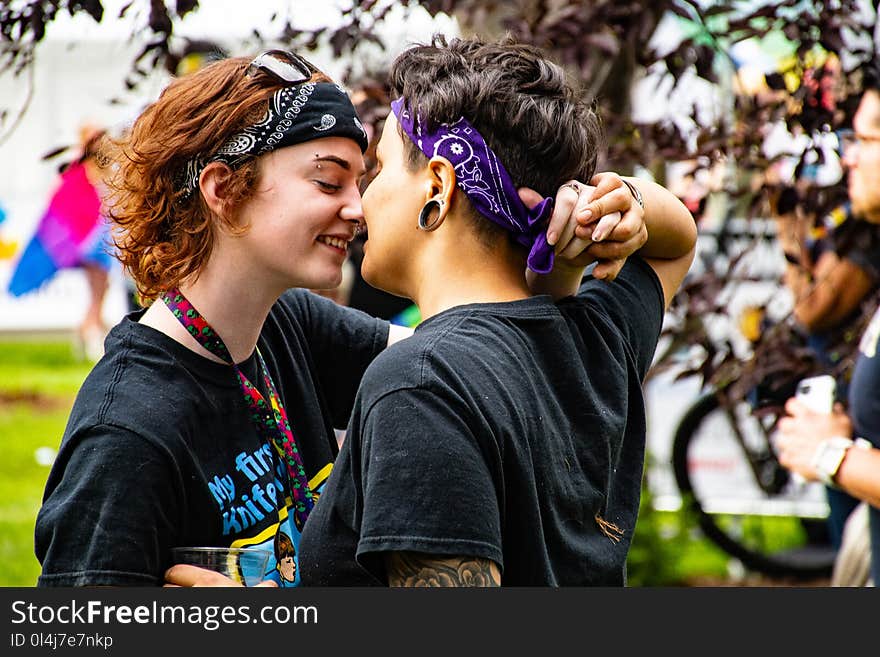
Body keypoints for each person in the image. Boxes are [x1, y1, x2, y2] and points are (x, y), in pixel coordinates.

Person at [36, 49, 637, 587]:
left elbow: (486, 362)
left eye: (365, 176)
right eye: (328, 181)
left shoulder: (290, 325)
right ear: (223, 189)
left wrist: (599, 221)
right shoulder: (124, 435)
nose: (357, 207)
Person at [297, 35, 697, 587]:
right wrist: (623, 198)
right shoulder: (594, 337)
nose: (360, 199)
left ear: (437, 186)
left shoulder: (421, 385)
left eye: (380, 167)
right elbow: (677, 243)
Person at [775, 67, 880, 587]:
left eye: (864, 138)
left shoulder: (863, 232)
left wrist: (833, 455)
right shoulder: (848, 210)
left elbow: (812, 307)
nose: (849, 156)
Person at [7, 123, 115, 361]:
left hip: (99, 241)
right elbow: (66, 207)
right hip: (87, 244)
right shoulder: (77, 173)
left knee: (101, 288)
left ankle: (91, 328)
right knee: (99, 288)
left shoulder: (103, 171)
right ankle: (93, 332)